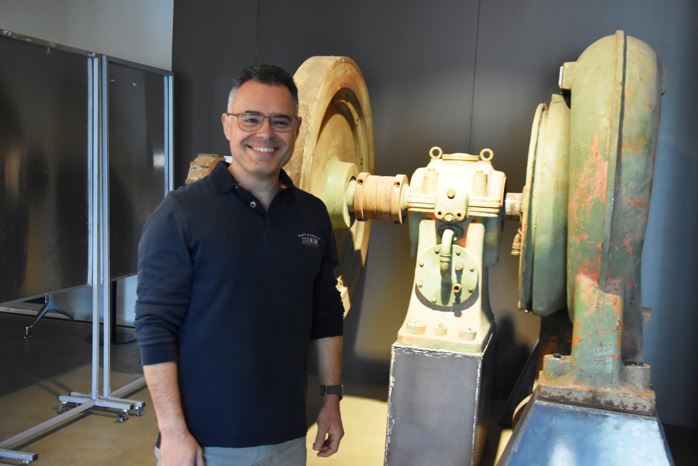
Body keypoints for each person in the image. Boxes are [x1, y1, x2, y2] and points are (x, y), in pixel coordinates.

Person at [135, 64, 345, 466]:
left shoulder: (312, 214)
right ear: (227, 124)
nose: (265, 133)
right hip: (205, 444)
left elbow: (326, 313)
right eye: (250, 118)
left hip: (288, 438)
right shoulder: (181, 213)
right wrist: (174, 432)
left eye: (280, 121)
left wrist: (331, 398)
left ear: (297, 129)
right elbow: (155, 325)